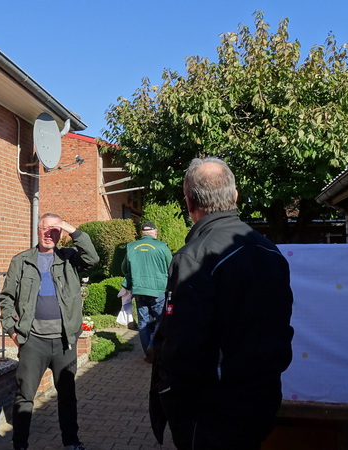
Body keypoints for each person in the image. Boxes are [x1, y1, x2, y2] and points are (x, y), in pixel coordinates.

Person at [149, 157, 294, 450]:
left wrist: (170, 397)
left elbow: (182, 346)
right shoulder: (270, 250)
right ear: (235, 196)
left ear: (189, 203)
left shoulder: (195, 256)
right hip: (262, 399)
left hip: (212, 412)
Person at [0, 213, 99, 450]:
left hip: (64, 341)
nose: (49, 234)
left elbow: (92, 258)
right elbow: (6, 298)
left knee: (67, 396)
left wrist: (70, 228)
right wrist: (12, 330)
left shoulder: (69, 258)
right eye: (45, 228)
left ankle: (71, 442)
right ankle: (20, 444)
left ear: (61, 233)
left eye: (55, 230)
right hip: (33, 341)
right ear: (37, 230)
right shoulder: (21, 261)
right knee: (25, 396)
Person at [121, 221, 172, 362]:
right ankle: (154, 348)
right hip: (158, 290)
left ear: (142, 233)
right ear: (155, 232)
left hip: (139, 289)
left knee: (143, 322)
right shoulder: (162, 246)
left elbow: (124, 268)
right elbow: (171, 267)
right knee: (160, 320)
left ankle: (148, 354)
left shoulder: (131, 247)